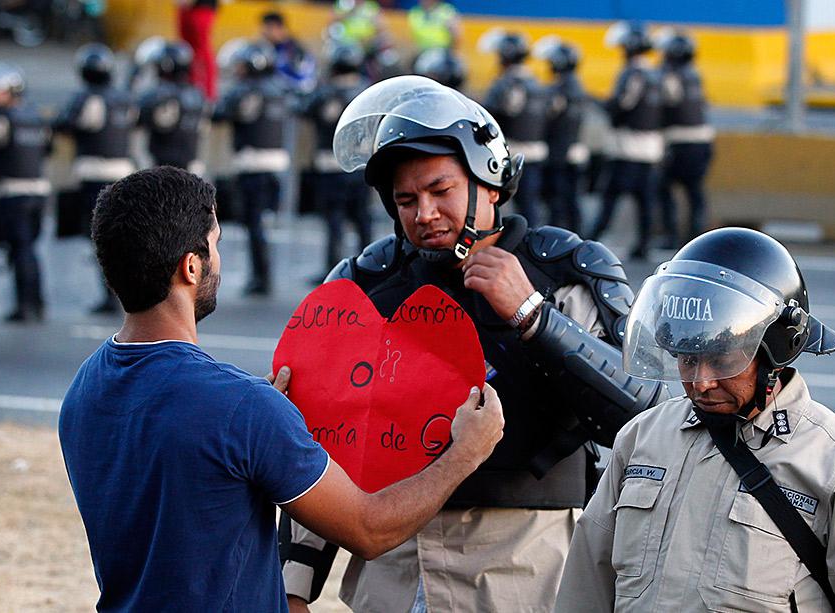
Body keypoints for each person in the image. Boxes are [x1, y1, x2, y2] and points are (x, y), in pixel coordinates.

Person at [279, 75, 667, 613]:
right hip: (392, 561)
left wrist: (533, 315)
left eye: (441, 191)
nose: (425, 214)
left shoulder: (566, 271)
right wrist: (294, 586)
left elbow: (648, 414)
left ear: (489, 182)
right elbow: (317, 441)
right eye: (406, 199)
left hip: (521, 566)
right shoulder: (365, 285)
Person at [58, 165, 505, 611]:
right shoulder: (241, 407)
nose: (219, 260)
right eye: (215, 245)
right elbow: (370, 531)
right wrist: (466, 452)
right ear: (190, 267)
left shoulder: (85, 389)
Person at [554, 227, 835, 612]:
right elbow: (586, 586)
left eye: (722, 361)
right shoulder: (643, 438)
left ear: (774, 353)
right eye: (687, 359)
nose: (701, 382)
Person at [55, 43, 137, 313]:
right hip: (124, 171)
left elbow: (69, 123)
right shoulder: (124, 98)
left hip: (95, 173)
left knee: (102, 239)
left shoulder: (90, 98)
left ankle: (111, 294)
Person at [213, 41, 288, 296]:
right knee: (263, 223)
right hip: (276, 165)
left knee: (254, 223)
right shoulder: (277, 90)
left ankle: (261, 277)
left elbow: (220, 113)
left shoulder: (245, 90)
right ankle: (263, 274)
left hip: (251, 165)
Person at [296, 41, 371, 277]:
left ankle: (334, 269)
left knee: (334, 220)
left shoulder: (326, 93)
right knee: (362, 219)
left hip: (331, 165)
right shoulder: (366, 91)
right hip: (361, 166)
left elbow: (303, 107)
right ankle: (370, 267)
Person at [588, 21, 663, 260]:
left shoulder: (633, 73)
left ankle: (591, 240)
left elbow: (620, 106)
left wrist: (597, 102)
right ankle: (643, 245)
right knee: (645, 203)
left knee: (610, 198)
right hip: (652, 149)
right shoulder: (656, 74)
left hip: (627, 148)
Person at [0, 64, 52, 323]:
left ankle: (26, 305)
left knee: (21, 248)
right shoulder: (36, 117)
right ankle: (36, 302)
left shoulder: (1, 120)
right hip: (39, 191)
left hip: (13, 192)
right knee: (29, 248)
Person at [481, 30, 549, 226]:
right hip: (536, 152)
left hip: (509, 153)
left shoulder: (505, 84)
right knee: (530, 204)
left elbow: (488, 116)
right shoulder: (536, 83)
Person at [656, 31, 714, 249]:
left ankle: (672, 235)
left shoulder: (670, 76)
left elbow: (665, 105)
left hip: (680, 141)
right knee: (695, 192)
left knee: (664, 189)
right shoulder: (694, 75)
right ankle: (696, 237)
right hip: (703, 140)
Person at [535, 37, 589, 234]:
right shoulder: (576, 87)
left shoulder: (560, 89)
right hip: (573, 147)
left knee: (558, 198)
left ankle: (557, 234)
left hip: (559, 150)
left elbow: (549, 118)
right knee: (571, 198)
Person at [136, 39, 208, 173]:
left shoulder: (159, 94)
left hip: (162, 164)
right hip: (191, 163)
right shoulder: (197, 94)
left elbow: (138, 117)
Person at [261, 11, 318, 96]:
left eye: (269, 29)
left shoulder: (293, 49)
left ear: (279, 28)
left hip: (297, 94)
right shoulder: (273, 47)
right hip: (283, 91)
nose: (264, 33)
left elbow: (304, 79)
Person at [176, 0, 218, 100]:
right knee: (185, 49)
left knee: (202, 49)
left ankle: (208, 92)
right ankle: (189, 85)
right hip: (185, 6)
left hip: (203, 6)